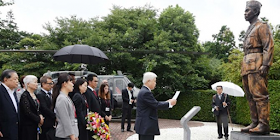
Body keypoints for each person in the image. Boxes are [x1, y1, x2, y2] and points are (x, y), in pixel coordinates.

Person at [241, 0, 274, 135]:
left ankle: (263, 124)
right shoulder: (250, 28)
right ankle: (255, 122)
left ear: (255, 11)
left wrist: (266, 64)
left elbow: (268, 46)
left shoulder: (262, 26)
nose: (245, 13)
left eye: (247, 10)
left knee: (260, 95)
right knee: (250, 96)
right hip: (247, 64)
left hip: (257, 63)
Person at [134, 72, 177, 140]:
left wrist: (167, 102)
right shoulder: (146, 92)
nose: (155, 83)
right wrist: (169, 103)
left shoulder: (143, 91)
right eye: (154, 81)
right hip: (146, 125)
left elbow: (153, 103)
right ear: (148, 81)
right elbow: (155, 105)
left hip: (144, 125)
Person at [52, 73, 79, 140]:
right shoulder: (61, 99)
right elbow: (65, 120)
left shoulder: (66, 97)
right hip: (65, 135)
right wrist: (72, 136)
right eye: (70, 82)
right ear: (64, 84)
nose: (73, 84)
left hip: (69, 135)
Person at [19, 75, 44, 140]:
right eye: (35, 82)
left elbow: (37, 107)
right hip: (28, 125)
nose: (36, 84)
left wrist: (40, 115)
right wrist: (38, 119)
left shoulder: (34, 94)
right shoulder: (25, 96)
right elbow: (27, 111)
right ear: (28, 84)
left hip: (35, 124)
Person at [0, 69, 20, 140]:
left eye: (17, 78)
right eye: (15, 79)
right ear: (6, 79)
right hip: (4, 130)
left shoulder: (13, 92)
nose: (17, 81)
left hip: (14, 129)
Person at [84, 74, 103, 140]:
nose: (96, 83)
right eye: (95, 81)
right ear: (89, 82)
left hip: (97, 118)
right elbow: (88, 106)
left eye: (97, 81)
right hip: (92, 120)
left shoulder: (94, 91)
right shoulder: (87, 92)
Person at [37, 76, 56, 140]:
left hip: (51, 122)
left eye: (52, 83)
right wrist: (55, 115)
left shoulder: (50, 94)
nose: (51, 85)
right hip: (46, 121)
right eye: (49, 83)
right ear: (43, 84)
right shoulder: (40, 94)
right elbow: (44, 108)